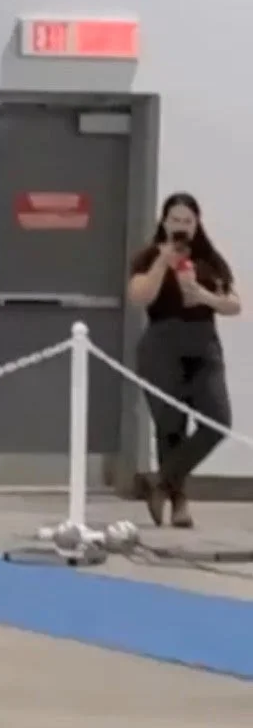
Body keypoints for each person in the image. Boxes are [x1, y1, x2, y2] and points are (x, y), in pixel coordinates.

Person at [128, 192, 239, 529]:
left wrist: (204, 296)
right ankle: (178, 503)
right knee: (170, 425)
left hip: (203, 344)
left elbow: (233, 303)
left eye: (187, 221)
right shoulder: (149, 256)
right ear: (163, 222)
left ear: (196, 224)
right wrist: (163, 262)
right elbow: (138, 296)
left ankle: (161, 481)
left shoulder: (209, 259)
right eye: (174, 220)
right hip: (162, 343)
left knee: (218, 419)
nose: (181, 227)